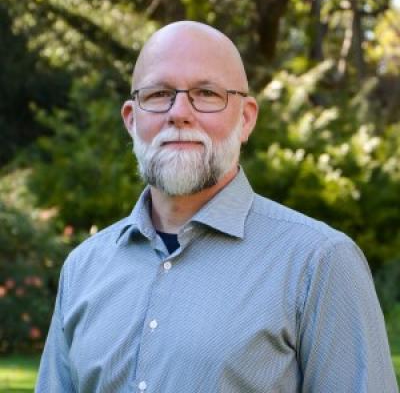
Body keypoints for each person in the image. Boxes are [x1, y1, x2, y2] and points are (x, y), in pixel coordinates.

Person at [35, 21, 398, 393]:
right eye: (159, 93)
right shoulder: (83, 268)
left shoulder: (319, 263)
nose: (178, 112)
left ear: (246, 119)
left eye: (206, 93)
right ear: (131, 119)